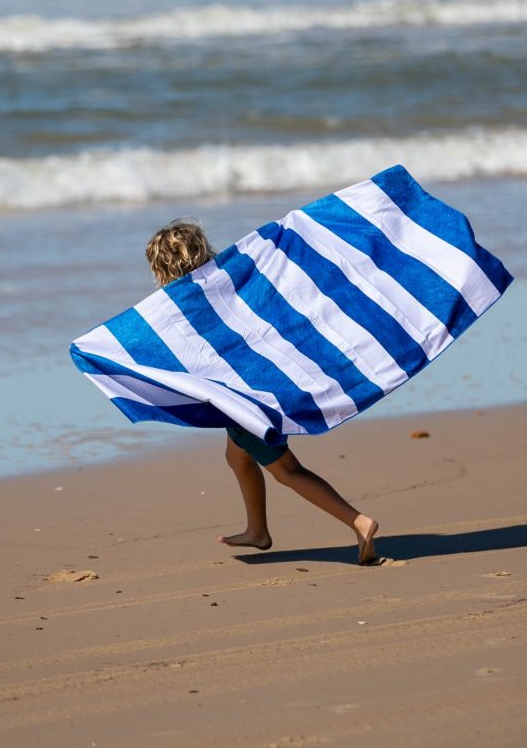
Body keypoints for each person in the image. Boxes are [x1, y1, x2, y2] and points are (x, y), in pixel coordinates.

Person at [145, 219, 379, 565]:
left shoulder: (180, 306)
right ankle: (258, 531)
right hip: (260, 386)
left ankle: (357, 521)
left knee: (286, 469)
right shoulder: (231, 280)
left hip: (245, 399)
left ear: (161, 268)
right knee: (237, 456)